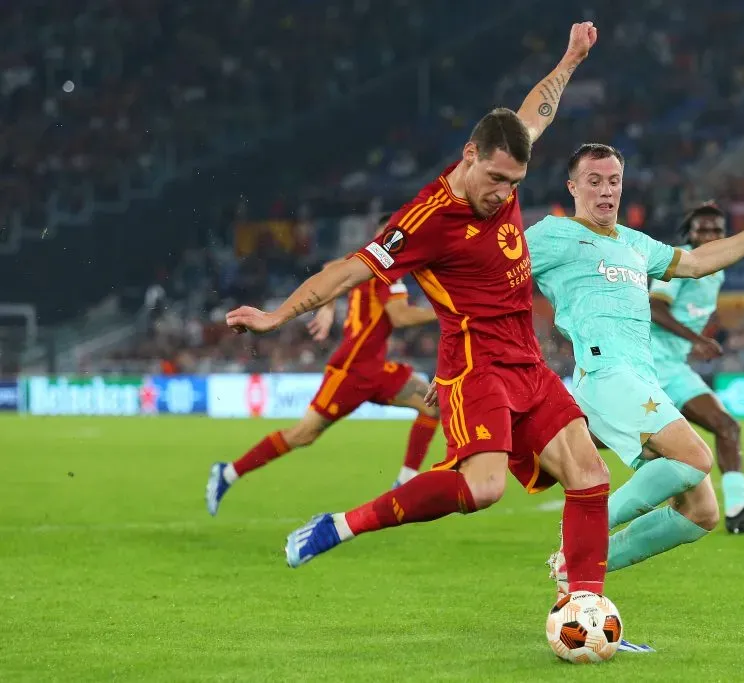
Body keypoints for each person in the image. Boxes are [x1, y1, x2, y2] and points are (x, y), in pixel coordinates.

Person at [225, 23, 613, 601]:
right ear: (468, 155)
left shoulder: (505, 162)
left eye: (515, 183)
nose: (504, 194)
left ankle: (584, 606)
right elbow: (350, 270)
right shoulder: (425, 221)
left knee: (591, 475)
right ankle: (342, 524)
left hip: (526, 362)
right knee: (483, 490)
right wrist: (277, 316)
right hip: (475, 368)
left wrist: (570, 59)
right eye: (495, 179)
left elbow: (537, 111)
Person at [515, 144, 744, 606]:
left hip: (644, 379)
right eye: (593, 181)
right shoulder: (550, 235)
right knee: (695, 457)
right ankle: (581, 526)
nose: (605, 191)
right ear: (573, 188)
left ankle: (576, 570)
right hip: (605, 372)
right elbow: (490, 278)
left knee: (701, 513)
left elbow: (696, 263)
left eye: (613, 181)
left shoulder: (635, 244)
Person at [205, 215, 441, 517]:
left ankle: (404, 483)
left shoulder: (365, 263)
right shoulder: (384, 270)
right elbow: (400, 316)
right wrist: (448, 310)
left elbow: (332, 269)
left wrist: (328, 307)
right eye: (388, 232)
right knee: (303, 435)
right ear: (378, 234)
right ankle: (228, 473)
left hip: (376, 369)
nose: (393, 238)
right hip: (350, 371)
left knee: (432, 406)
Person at [649, 203, 744, 534]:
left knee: (727, 426)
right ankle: (546, 449)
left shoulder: (718, 269)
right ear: (690, 234)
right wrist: (697, 339)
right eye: (703, 229)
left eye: (716, 230)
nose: (710, 235)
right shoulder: (679, 260)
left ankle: (737, 512)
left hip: (675, 368)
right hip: (647, 367)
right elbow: (654, 307)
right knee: (611, 438)